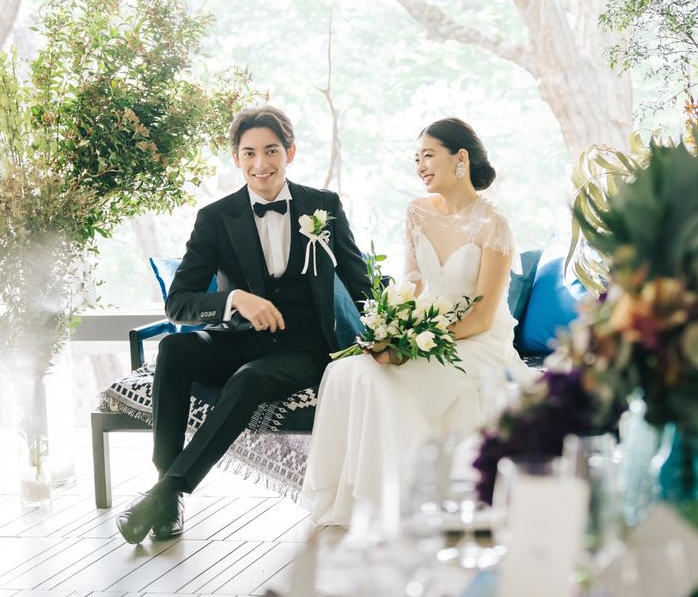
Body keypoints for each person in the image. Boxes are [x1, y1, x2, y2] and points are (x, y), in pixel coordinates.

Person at [116, 105, 371, 544]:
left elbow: (358, 281)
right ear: (236, 157)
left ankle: (165, 494)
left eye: (271, 150)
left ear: (290, 152)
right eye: (249, 153)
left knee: (250, 379)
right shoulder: (216, 217)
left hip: (302, 350)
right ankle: (166, 486)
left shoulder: (323, 207)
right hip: (236, 341)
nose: (261, 164)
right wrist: (234, 300)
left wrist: (384, 331)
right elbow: (179, 303)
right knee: (173, 349)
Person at [302, 117, 538, 526]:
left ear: (460, 158)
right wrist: (391, 328)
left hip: (478, 340)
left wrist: (419, 341)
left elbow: (482, 315)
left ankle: (410, 500)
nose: (420, 166)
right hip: (425, 330)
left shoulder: (493, 225)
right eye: (416, 159)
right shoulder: (417, 212)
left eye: (428, 155)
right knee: (345, 371)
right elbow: (411, 284)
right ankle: (369, 503)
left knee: (390, 380)